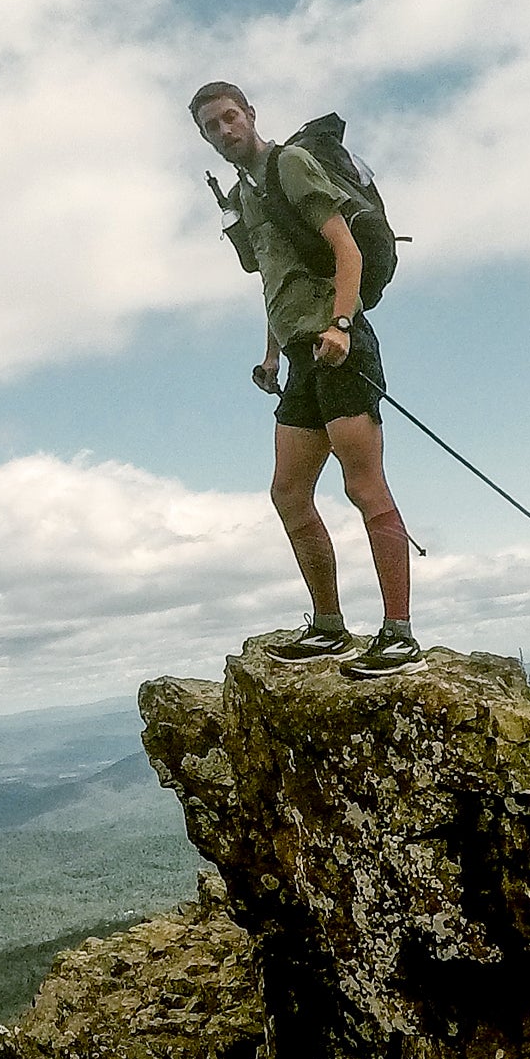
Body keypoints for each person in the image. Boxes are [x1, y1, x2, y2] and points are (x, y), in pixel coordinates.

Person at [190, 81, 423, 679]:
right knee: (288, 494)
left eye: (230, 118)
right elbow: (275, 281)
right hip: (300, 353)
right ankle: (329, 628)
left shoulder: (290, 165)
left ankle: (398, 634)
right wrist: (270, 355)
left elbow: (348, 250)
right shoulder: (246, 194)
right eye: (211, 127)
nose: (224, 132)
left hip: (340, 346)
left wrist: (342, 325)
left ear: (250, 114)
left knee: (363, 486)